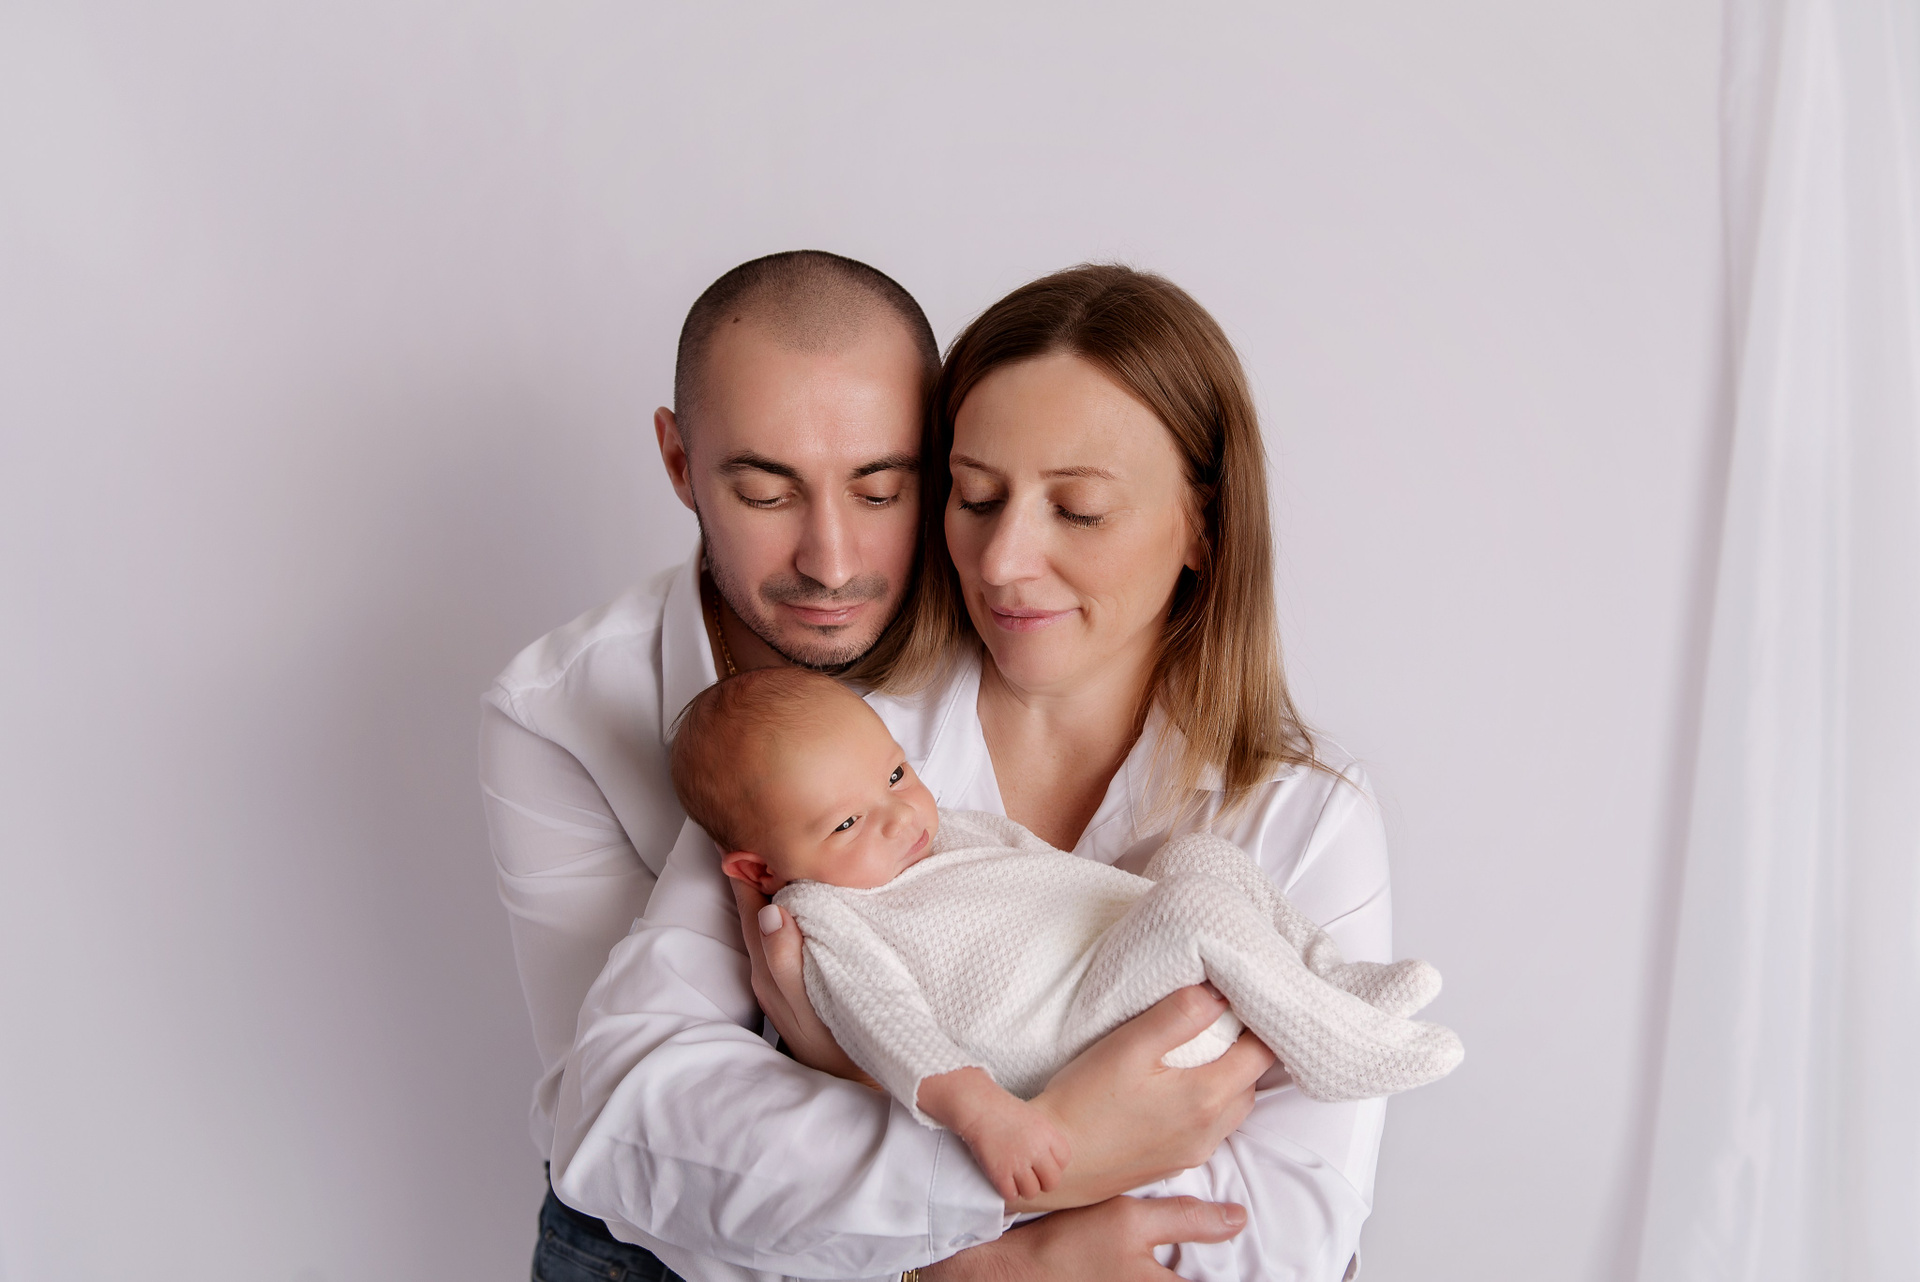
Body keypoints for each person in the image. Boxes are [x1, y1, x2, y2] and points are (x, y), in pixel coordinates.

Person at [549, 264, 1408, 1281]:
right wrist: (1008, 1222)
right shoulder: (832, 748)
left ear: (1203, 528)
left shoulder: (1305, 815)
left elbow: (1291, 1237)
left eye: (1078, 510)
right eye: (976, 496)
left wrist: (842, 1080)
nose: (1001, 561)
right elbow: (624, 1122)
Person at [665, 667, 1461, 1202]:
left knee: (1201, 858)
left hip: (1111, 959)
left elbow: (1044, 871)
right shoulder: (825, 915)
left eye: (898, 774)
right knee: (1194, 911)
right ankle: (1335, 1047)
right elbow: (888, 1024)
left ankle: (1325, 977)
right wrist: (983, 1112)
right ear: (760, 868)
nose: (900, 816)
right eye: (845, 823)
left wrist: (1135, 909)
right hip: (1070, 1029)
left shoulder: (939, 833)